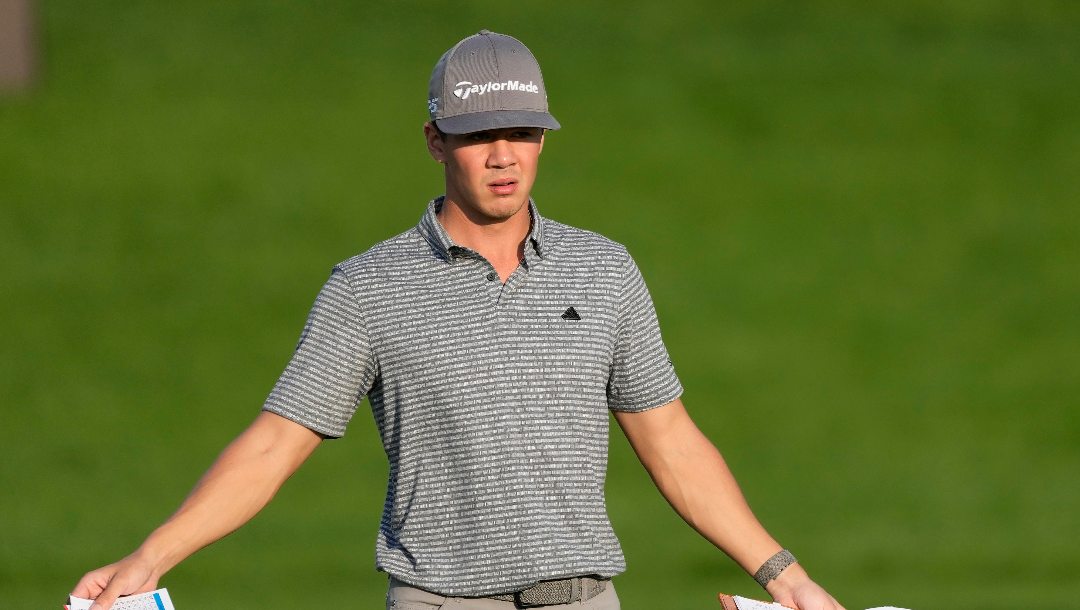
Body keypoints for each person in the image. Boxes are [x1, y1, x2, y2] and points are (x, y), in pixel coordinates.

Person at [72, 30, 847, 610]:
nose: (503, 155)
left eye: (522, 133)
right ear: (436, 141)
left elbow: (670, 439)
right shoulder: (368, 286)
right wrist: (152, 556)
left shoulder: (604, 270)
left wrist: (787, 576)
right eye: (479, 136)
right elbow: (277, 442)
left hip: (581, 598)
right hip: (438, 600)